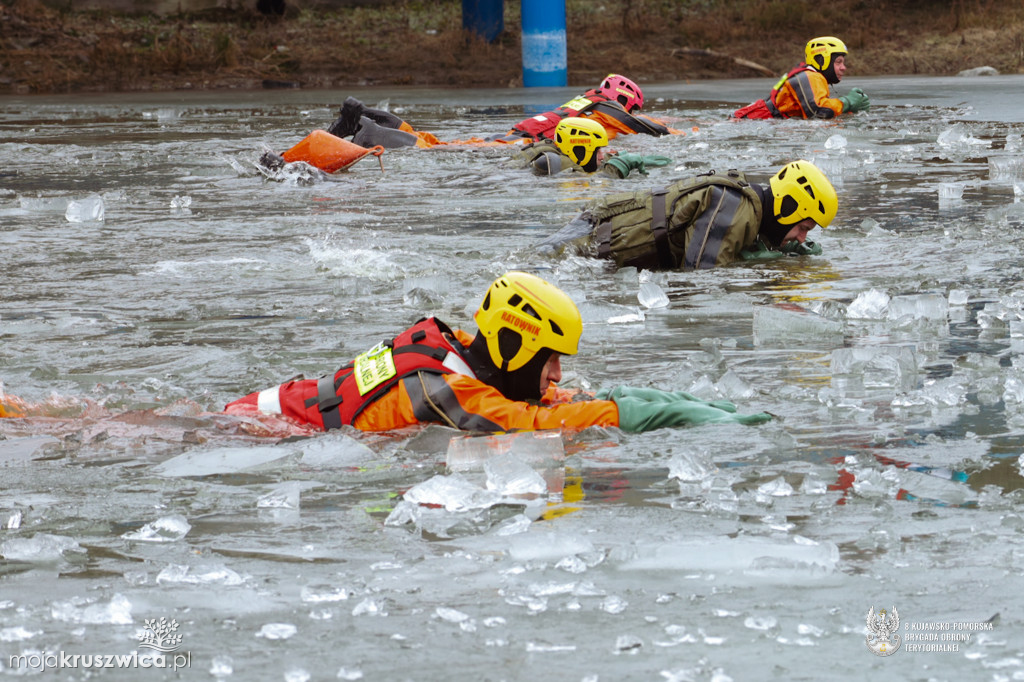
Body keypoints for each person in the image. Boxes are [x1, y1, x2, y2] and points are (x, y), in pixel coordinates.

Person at [224, 272, 770, 433]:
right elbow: (525, 425)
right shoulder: (442, 388)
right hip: (245, 431)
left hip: (265, 412)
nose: (556, 373)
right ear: (515, 347)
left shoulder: (455, 352)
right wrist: (642, 413)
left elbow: (546, 401)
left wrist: (629, 393)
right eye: (550, 358)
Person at [533, 160, 837, 271]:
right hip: (588, 245)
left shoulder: (748, 206)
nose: (802, 237)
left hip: (598, 228)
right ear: (787, 209)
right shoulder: (738, 211)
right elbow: (700, 278)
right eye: (804, 227)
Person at [734, 36, 870, 120]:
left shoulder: (811, 76)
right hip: (748, 120)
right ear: (821, 60)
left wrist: (851, 111)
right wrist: (847, 102)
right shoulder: (810, 76)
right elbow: (819, 111)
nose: (843, 67)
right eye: (838, 62)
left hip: (755, 118)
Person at [508, 118, 672, 177]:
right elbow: (589, 179)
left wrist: (622, 157)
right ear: (579, 147)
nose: (601, 155)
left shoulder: (564, 150)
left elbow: (587, 164)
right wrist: (620, 166)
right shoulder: (553, 161)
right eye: (597, 150)